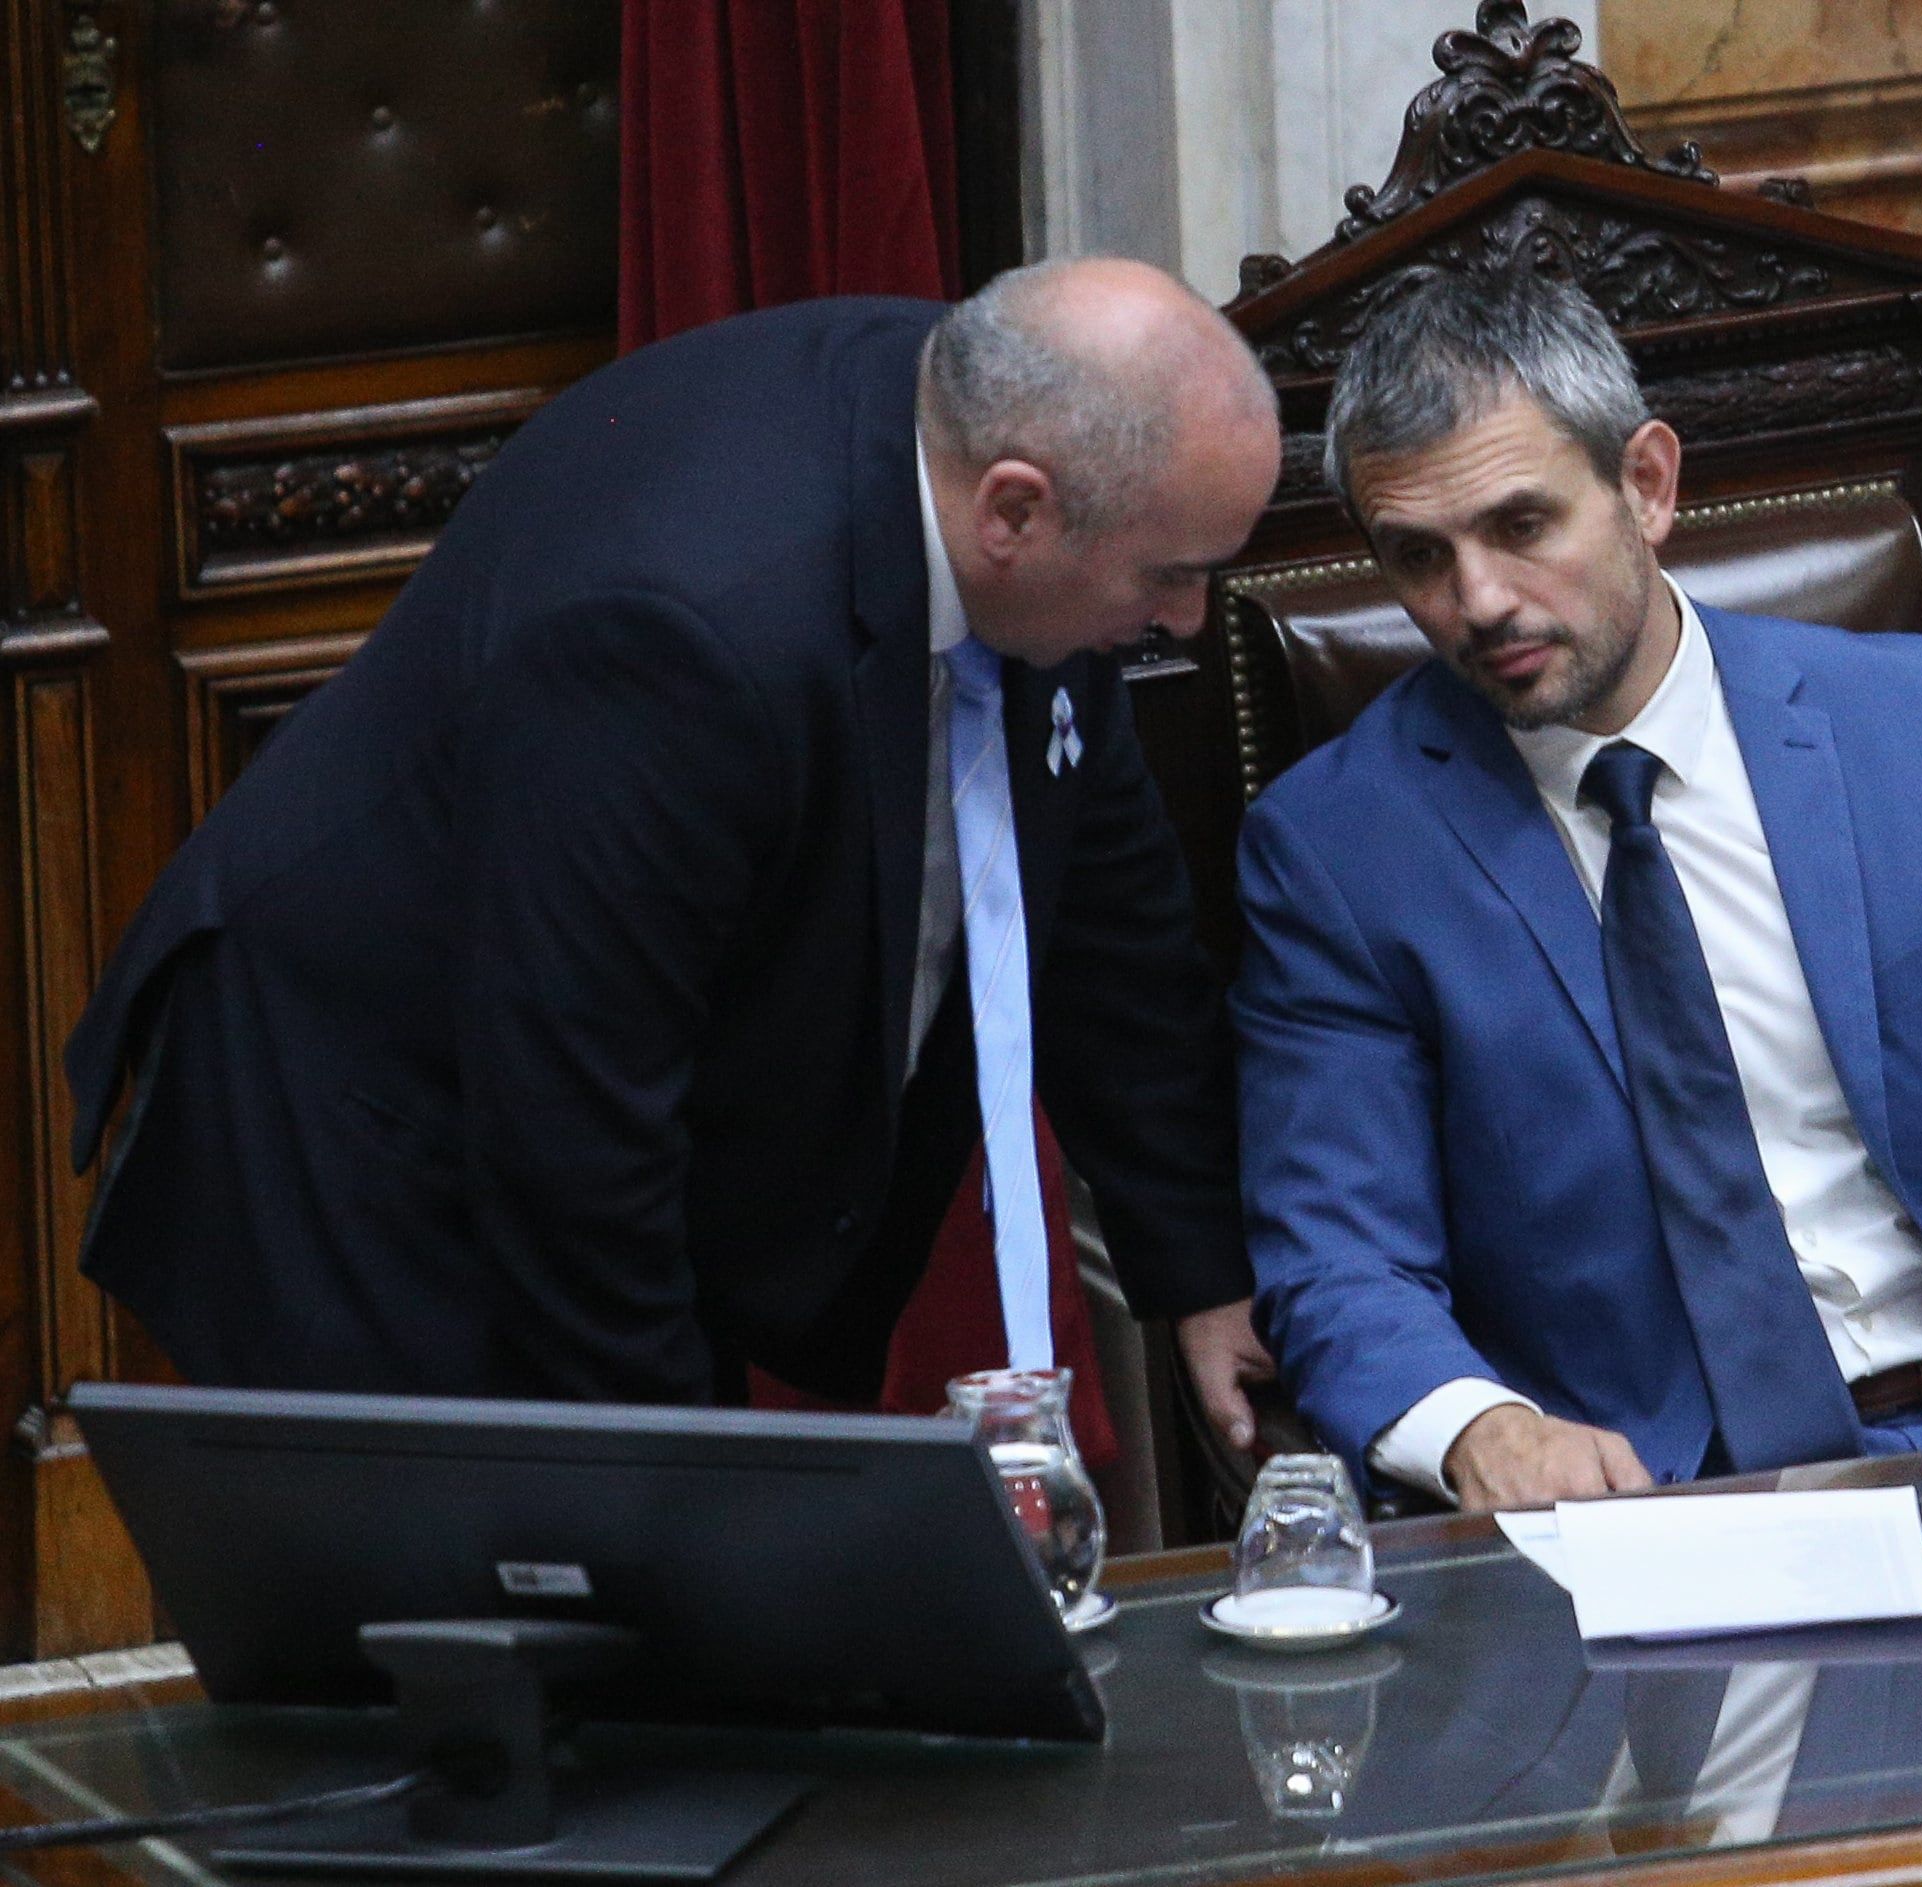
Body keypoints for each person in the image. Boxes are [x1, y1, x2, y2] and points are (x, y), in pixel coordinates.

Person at [66, 259, 1279, 1445]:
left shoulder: (1015, 436)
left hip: (592, 1106)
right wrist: (687, 1489)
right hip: (364, 1137)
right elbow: (572, 1121)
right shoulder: (687, 632)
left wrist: (1199, 1268)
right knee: (471, 1612)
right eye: (1170, 577)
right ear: (1013, 510)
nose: (1183, 621)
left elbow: (1114, 932)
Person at [1233, 268, 1922, 1512]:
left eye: (1522, 526)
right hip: (1655, 1503)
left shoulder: (1917, 724)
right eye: (1419, 557)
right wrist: (1483, 1428)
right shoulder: (1338, 851)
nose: (1477, 603)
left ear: (1646, 485)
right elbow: (1341, 1260)